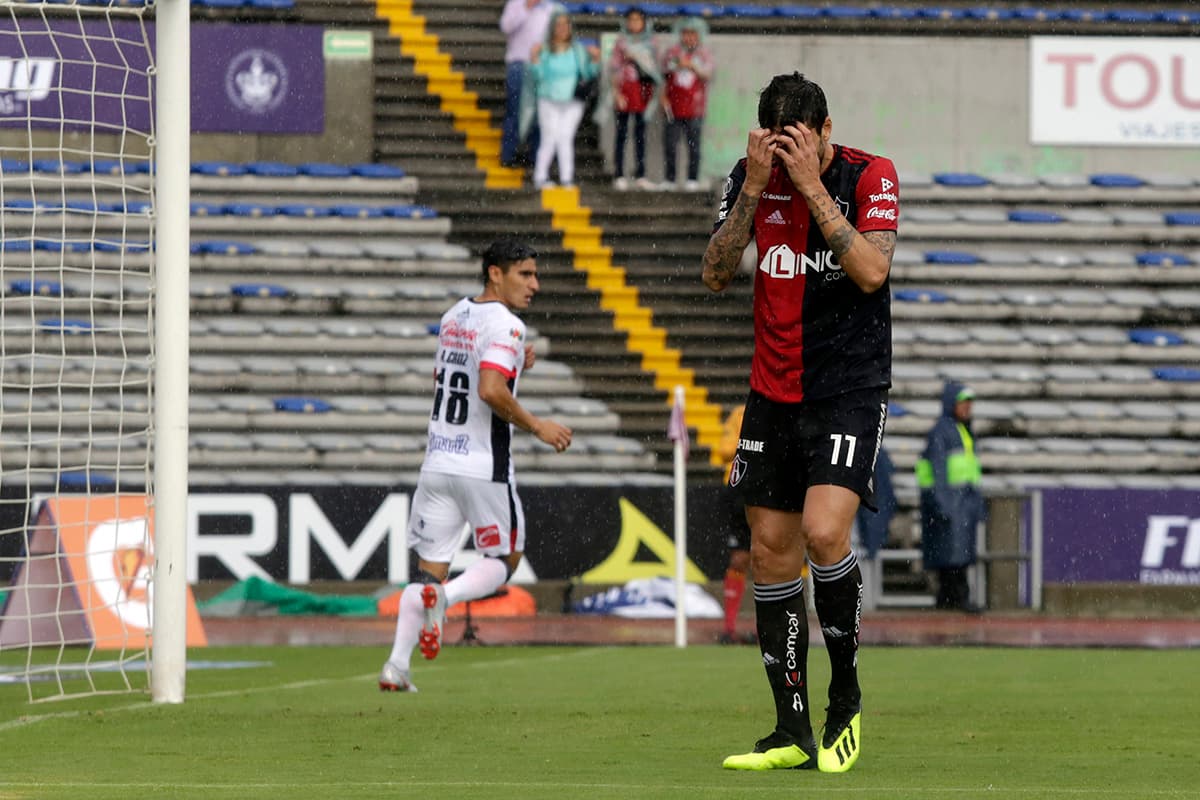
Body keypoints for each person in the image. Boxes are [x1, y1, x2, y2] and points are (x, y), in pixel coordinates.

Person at [701, 72, 899, 773]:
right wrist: (755, 189)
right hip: (772, 391)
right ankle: (790, 730)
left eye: (800, 141)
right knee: (769, 550)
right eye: (776, 142)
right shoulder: (750, 180)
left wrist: (812, 187)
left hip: (847, 388)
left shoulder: (869, 174)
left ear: (824, 129)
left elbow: (873, 271)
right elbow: (717, 272)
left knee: (823, 533)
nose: (788, 155)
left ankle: (844, 689)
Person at [379, 239, 574, 693]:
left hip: (438, 462)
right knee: (504, 559)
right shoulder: (507, 324)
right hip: (483, 464)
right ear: (495, 274)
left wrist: (515, 368)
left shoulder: (454, 315)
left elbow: (454, 378)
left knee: (429, 569)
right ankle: (444, 600)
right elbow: (488, 389)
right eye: (525, 274)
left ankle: (396, 665)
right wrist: (538, 425)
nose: (535, 284)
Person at [916, 382, 985, 614]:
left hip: (962, 505)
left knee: (957, 555)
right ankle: (956, 598)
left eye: (969, 403)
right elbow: (936, 471)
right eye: (962, 403)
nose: (967, 408)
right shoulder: (942, 432)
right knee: (952, 557)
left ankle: (950, 599)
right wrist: (943, 504)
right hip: (951, 505)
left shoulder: (962, 431)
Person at [527, 8, 600, 189]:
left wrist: (596, 60)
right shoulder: (544, 49)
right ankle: (540, 176)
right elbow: (538, 76)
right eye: (558, 24)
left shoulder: (578, 49)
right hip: (548, 99)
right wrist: (534, 59)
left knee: (565, 137)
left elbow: (589, 73)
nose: (562, 28)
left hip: (572, 102)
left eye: (565, 24)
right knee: (549, 138)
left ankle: (567, 178)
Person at [714, 403, 756, 645]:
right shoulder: (740, 414)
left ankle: (768, 628)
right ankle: (729, 628)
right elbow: (725, 449)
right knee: (740, 559)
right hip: (739, 492)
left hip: (769, 488)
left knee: (767, 560)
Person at [607, 6, 661, 191]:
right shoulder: (621, 43)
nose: (634, 24)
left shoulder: (651, 43)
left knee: (640, 135)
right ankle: (619, 173)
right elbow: (613, 69)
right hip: (625, 92)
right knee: (621, 135)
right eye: (631, 20)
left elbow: (655, 71)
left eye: (638, 20)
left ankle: (640, 174)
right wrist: (617, 93)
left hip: (643, 93)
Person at [660, 17, 713, 191]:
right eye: (686, 34)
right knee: (670, 145)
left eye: (693, 34)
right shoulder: (672, 52)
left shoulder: (704, 54)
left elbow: (708, 74)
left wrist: (691, 66)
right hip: (673, 108)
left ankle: (692, 178)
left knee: (694, 146)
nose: (689, 38)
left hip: (695, 107)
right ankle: (670, 179)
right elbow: (663, 74)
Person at [500, 0, 553, 167]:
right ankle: (508, 155)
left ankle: (535, 157)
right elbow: (506, 27)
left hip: (543, 66)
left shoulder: (550, 8)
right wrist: (526, 7)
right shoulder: (516, 4)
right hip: (519, 64)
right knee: (515, 111)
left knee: (540, 114)